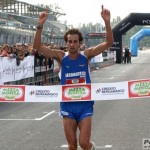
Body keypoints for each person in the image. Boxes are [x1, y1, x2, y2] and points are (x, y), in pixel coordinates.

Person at [33, 5, 113, 150]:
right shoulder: (60, 57)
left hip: (85, 106)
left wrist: (107, 22)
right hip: (67, 106)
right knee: (72, 146)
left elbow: (108, 43)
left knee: (83, 143)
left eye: (75, 41)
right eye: (69, 41)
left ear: (79, 43)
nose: (72, 44)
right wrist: (39, 25)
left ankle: (90, 147)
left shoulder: (86, 55)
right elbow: (37, 47)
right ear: (66, 42)